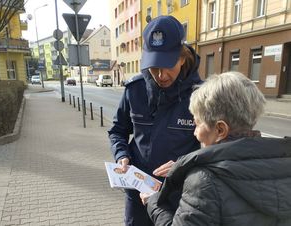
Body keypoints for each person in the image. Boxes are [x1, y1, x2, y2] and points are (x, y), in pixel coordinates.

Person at [141, 71, 291, 225]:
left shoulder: (203, 181)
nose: (195, 132)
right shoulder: (284, 164)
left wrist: (154, 203)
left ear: (220, 130)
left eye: (198, 123)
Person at [108, 15, 202, 226]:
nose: (161, 75)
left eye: (167, 65)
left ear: (182, 57)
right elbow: (117, 131)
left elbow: (215, 149)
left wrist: (183, 165)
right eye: (154, 66)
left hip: (179, 196)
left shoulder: (202, 95)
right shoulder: (135, 90)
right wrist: (121, 154)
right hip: (138, 193)